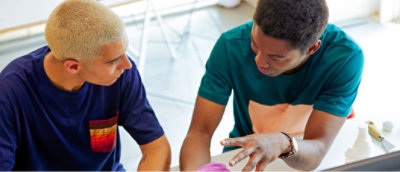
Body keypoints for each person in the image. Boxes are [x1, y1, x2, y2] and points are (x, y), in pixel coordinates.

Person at [180, 0, 364, 171]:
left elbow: (317, 150)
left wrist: (284, 143)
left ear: (312, 49)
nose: (259, 61)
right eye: (254, 44)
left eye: (276, 58)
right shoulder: (230, 46)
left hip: (310, 153)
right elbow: (200, 133)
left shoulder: (344, 58)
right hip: (248, 153)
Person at [0, 0, 171, 170]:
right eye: (113, 61)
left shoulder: (121, 74)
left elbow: (156, 147)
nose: (127, 65)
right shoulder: (9, 94)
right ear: (73, 66)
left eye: (124, 52)